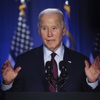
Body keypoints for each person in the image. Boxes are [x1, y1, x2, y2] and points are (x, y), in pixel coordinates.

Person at [1, 8, 100, 92]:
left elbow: (90, 97)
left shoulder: (81, 61)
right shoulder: (24, 60)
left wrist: (92, 82)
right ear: (39, 31)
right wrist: (7, 84)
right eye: (44, 28)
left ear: (64, 29)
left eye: (54, 28)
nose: (49, 34)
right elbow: (14, 97)